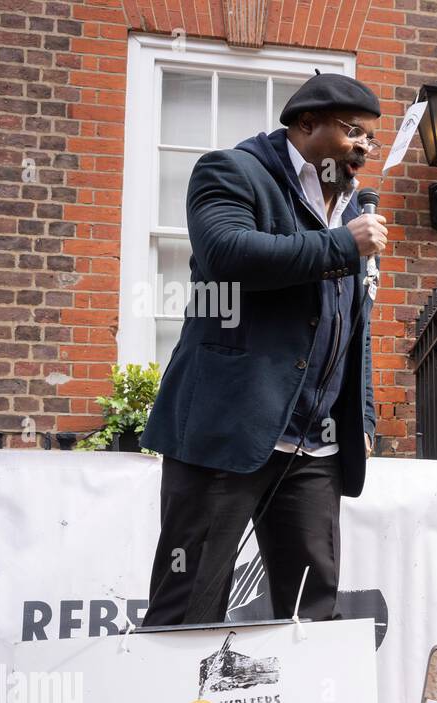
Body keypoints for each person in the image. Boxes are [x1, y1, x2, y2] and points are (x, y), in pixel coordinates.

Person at [140, 72, 388, 627]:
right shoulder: (232, 172)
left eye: (372, 138)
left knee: (310, 615)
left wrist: (363, 415)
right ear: (306, 123)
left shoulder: (349, 208)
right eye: (354, 132)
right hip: (227, 431)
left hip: (314, 449)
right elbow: (229, 254)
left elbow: (354, 323)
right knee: (189, 605)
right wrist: (342, 244)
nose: (364, 148)